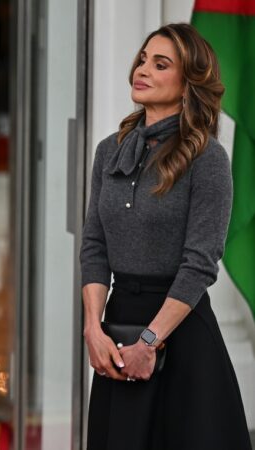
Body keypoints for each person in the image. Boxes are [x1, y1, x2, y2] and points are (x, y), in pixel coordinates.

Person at [81, 23, 250, 449]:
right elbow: (94, 246)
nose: (143, 69)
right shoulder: (108, 150)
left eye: (161, 64)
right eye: (142, 59)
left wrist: (150, 342)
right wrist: (92, 329)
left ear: (187, 81)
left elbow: (199, 264)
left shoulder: (208, 158)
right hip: (118, 327)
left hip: (182, 334)